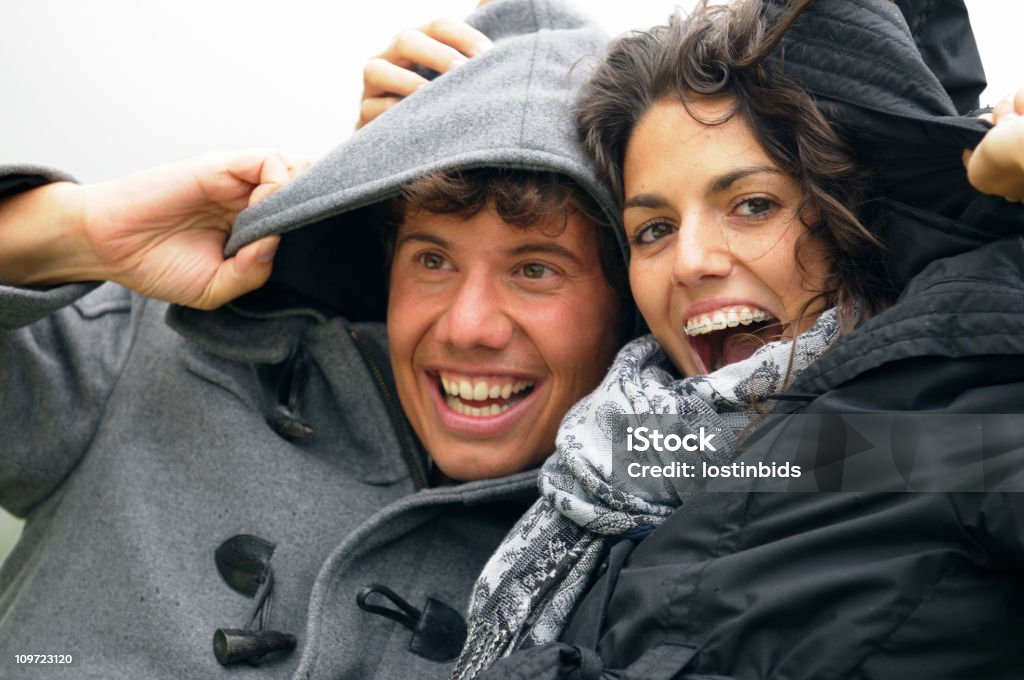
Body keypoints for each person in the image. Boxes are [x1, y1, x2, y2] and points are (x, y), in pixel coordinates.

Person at [0, 2, 629, 678]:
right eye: (432, 259)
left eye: (535, 269)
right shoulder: (148, 349)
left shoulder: (661, 548)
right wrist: (84, 229)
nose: (468, 327)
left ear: (629, 297)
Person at [444, 1, 1024, 678]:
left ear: (853, 214)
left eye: (752, 205)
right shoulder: (613, 466)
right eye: (652, 229)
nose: (690, 261)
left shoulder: (950, 431)